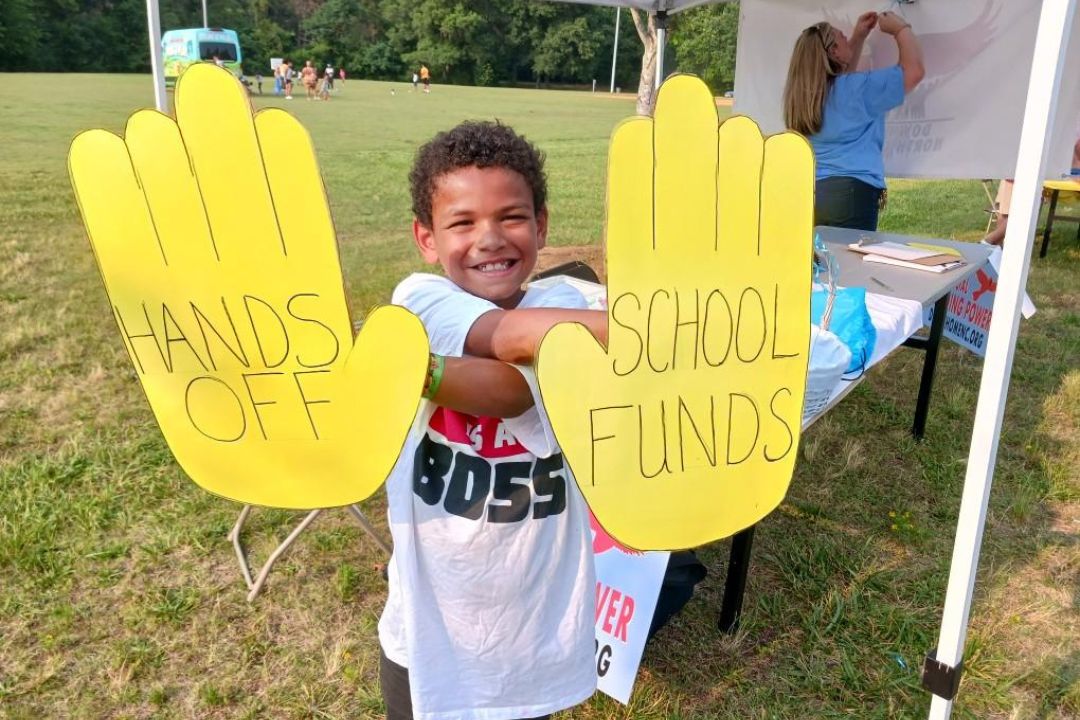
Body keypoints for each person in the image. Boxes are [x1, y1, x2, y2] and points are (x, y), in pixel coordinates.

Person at [380, 121, 607, 720]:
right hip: (427, 625)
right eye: (462, 223)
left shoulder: (570, 307)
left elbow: (513, 390)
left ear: (541, 226)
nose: (489, 239)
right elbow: (505, 346)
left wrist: (405, 367)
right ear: (426, 239)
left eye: (511, 217)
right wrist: (656, 333)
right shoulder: (418, 298)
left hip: (534, 629)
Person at [783, 10, 925, 230]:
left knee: (824, 263)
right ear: (833, 51)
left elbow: (842, 83)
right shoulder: (857, 89)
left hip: (814, 193)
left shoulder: (804, 97)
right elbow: (913, 72)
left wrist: (858, 38)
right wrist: (900, 29)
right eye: (843, 36)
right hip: (853, 195)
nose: (847, 38)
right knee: (848, 264)